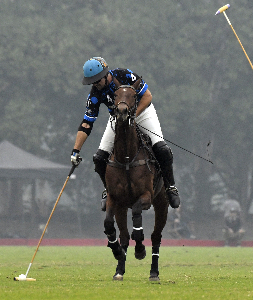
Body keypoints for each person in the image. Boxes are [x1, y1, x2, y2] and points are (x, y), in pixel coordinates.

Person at [70, 57, 180, 211]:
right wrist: (76, 151)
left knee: (162, 149)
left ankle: (170, 187)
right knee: (99, 158)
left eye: (96, 80)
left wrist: (133, 115)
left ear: (105, 74)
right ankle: (108, 191)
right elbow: (87, 123)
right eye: (91, 81)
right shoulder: (95, 94)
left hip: (142, 112)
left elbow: (148, 96)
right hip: (118, 117)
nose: (95, 84)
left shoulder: (124, 75)